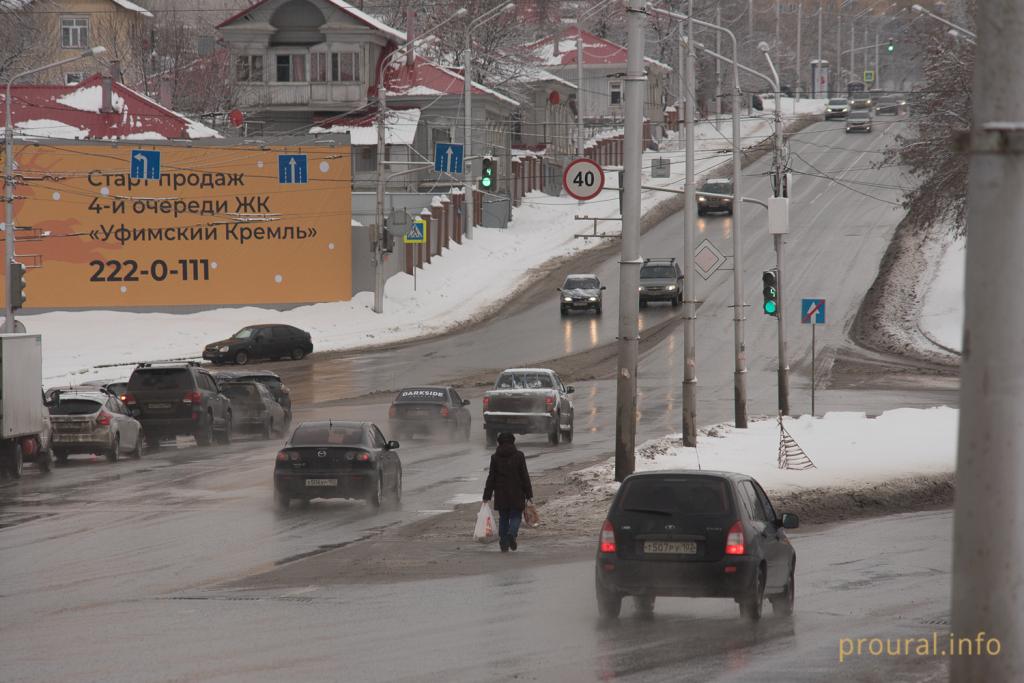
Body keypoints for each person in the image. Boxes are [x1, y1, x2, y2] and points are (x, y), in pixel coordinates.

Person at [482, 432, 533, 552]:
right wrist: (529, 494)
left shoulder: (495, 457)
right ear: (512, 442)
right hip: (517, 492)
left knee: (503, 517)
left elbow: (491, 477)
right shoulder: (519, 456)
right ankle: (512, 533)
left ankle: (503, 541)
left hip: (501, 493)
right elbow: (524, 475)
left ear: (499, 442)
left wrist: (486, 496)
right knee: (516, 515)